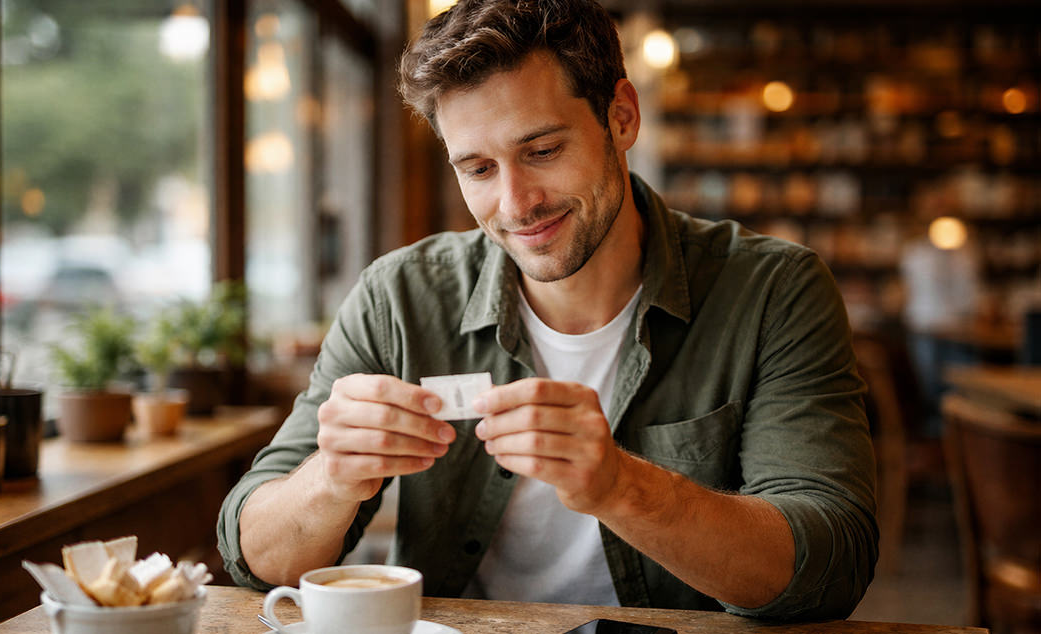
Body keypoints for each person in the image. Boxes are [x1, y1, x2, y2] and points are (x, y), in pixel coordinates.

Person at [218, 0, 876, 620]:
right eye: (476, 168)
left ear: (620, 117)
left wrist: (620, 486)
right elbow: (254, 561)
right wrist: (331, 479)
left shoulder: (772, 291)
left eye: (541, 150)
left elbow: (832, 563)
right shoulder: (398, 298)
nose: (515, 202)